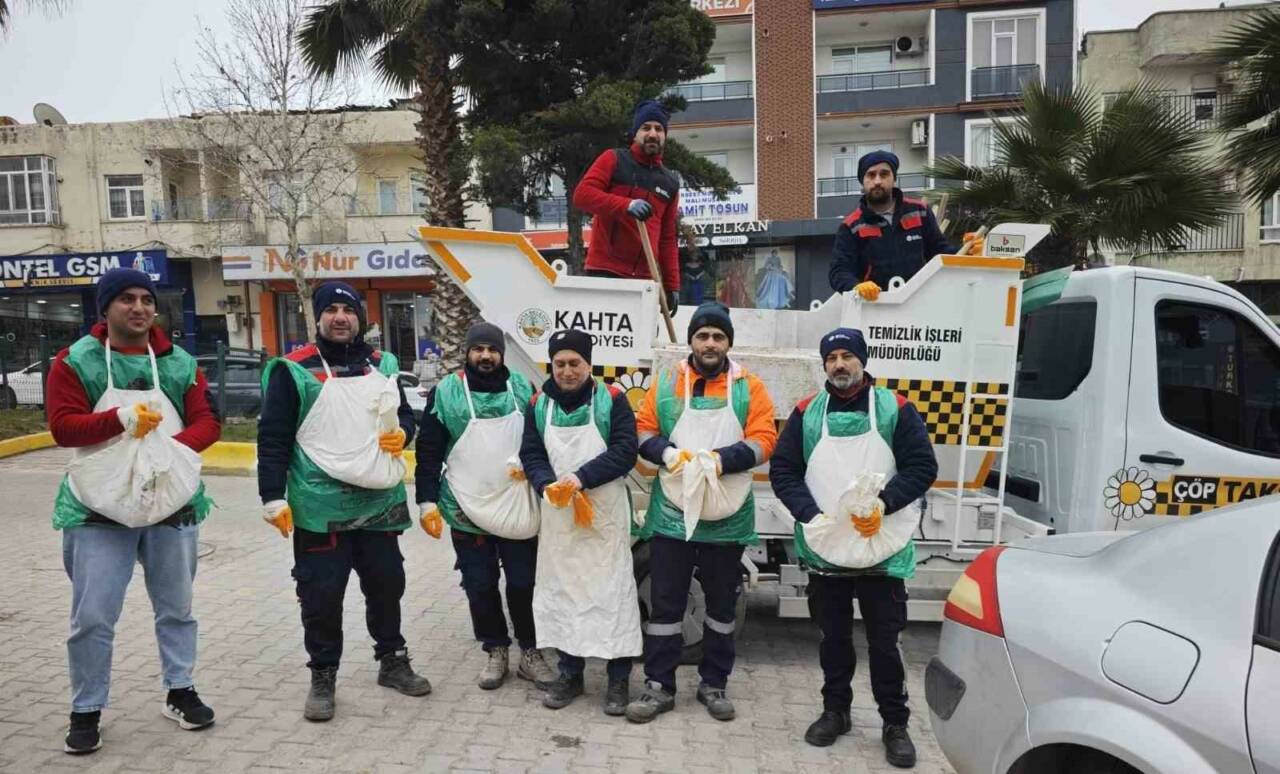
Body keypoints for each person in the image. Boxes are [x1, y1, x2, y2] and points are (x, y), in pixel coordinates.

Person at [46, 267, 221, 754]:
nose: (140, 308)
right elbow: (64, 428)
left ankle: (180, 690)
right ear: (105, 307)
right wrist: (122, 420)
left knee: (177, 608)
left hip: (170, 502)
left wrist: (169, 454)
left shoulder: (179, 361)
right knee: (94, 616)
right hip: (98, 508)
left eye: (147, 298)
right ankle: (86, 708)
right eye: (126, 299)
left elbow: (209, 420)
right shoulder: (75, 362)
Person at [257, 281, 431, 723]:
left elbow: (404, 415)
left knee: (387, 584)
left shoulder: (382, 364)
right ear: (316, 317)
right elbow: (273, 439)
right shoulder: (292, 370)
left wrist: (405, 434)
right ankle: (323, 673)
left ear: (360, 318)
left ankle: (392, 660)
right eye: (331, 309)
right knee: (321, 594)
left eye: (348, 310)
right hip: (320, 507)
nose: (340, 317)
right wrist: (272, 497)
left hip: (379, 504)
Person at [768, 328, 938, 768]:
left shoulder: (895, 409)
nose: (839, 364)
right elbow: (784, 472)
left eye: (847, 356)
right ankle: (835, 712)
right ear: (823, 365)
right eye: (832, 358)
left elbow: (922, 466)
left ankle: (895, 723)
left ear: (862, 361)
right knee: (833, 639)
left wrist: (883, 505)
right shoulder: (807, 412)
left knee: (885, 643)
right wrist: (811, 516)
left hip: (882, 547)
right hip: (827, 550)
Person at [627, 301, 778, 724]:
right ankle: (659, 685)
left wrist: (721, 460)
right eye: (702, 335)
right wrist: (668, 454)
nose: (709, 343)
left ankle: (714, 684)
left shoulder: (749, 386)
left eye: (718, 336)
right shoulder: (667, 382)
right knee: (666, 604)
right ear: (691, 340)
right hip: (672, 512)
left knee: (721, 606)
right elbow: (643, 429)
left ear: (728, 342)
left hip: (727, 515)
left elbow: (766, 438)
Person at [414, 322, 559, 691]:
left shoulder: (522, 388)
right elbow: (429, 450)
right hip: (466, 506)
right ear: (467, 352)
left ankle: (530, 652)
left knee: (524, 583)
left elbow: (541, 441)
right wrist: (426, 501)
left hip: (516, 507)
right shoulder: (446, 393)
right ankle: (495, 649)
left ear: (501, 353)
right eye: (478, 349)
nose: (485, 356)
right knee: (479, 584)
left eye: (491, 349)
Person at [518, 329, 642, 715]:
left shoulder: (612, 399)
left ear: (589, 365)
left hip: (602, 517)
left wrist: (581, 478)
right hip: (560, 520)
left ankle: (618, 679)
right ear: (551, 366)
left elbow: (625, 450)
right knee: (564, 594)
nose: (567, 371)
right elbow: (531, 452)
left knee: (612, 597)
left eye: (575, 363)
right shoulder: (539, 404)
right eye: (559, 364)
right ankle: (570, 674)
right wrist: (545, 484)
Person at [573, 99, 682, 312]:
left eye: (659, 129)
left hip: (644, 278)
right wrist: (626, 204)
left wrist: (672, 285)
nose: (652, 134)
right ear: (635, 133)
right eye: (646, 128)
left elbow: (668, 239)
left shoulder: (670, 182)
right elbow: (582, 195)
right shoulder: (613, 159)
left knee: (642, 342)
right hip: (605, 271)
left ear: (665, 136)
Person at [828, 150, 955, 300]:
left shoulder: (920, 212)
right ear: (863, 181)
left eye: (884, 174)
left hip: (918, 302)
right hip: (875, 307)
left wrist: (968, 251)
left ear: (894, 178)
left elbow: (939, 252)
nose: (877, 181)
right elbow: (839, 271)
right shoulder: (851, 226)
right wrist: (856, 286)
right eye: (871, 175)